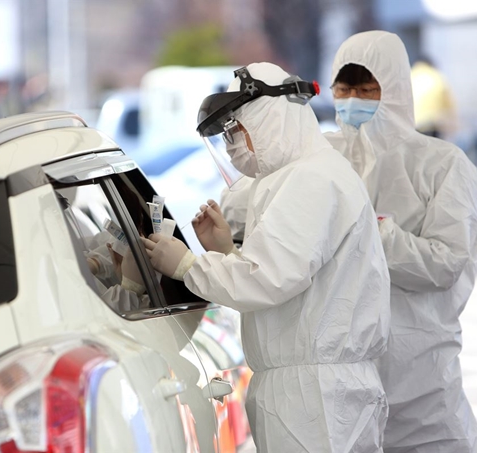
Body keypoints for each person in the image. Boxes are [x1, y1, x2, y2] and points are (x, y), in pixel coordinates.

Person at [143, 62, 391, 452]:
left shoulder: (312, 179)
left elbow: (267, 278)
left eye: (236, 129)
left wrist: (188, 265)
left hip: (316, 399)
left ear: (270, 117)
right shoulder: (298, 176)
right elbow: (292, 276)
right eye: (225, 135)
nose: (231, 144)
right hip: (308, 392)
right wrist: (229, 251)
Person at [322, 31, 477, 452]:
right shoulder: (324, 160)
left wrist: (373, 232)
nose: (353, 98)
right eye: (345, 88)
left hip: (422, 380)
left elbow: (446, 263)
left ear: (392, 87)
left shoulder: (442, 165)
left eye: (367, 88)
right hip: (343, 384)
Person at [410, 57, 457, 139]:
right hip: (431, 125)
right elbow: (450, 107)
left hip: (411, 125)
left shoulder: (409, 76)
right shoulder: (438, 77)